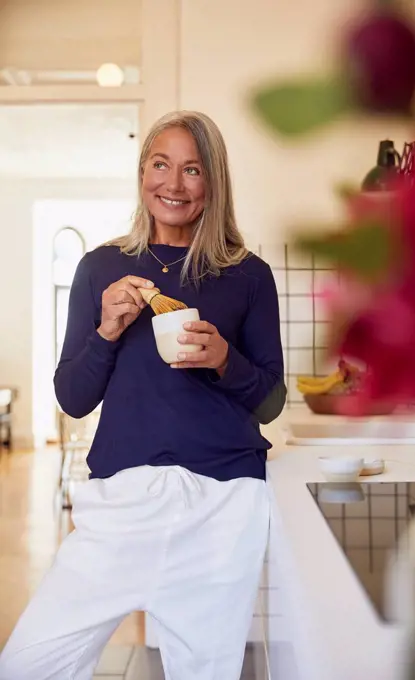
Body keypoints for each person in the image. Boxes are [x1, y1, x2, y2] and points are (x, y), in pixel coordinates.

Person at [0, 110, 286, 680]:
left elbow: (271, 403)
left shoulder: (247, 275)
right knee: (29, 663)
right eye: (160, 165)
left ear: (214, 183)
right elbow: (73, 398)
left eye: (191, 170)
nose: (173, 185)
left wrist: (224, 359)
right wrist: (107, 331)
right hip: (121, 501)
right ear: (142, 171)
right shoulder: (100, 268)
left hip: (222, 506)